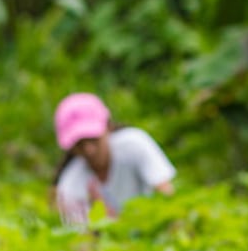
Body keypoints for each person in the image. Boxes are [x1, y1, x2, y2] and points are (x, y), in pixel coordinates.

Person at [50, 92, 176, 228]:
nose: (89, 150)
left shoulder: (134, 144)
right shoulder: (71, 184)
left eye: (93, 139)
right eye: (79, 145)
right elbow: (82, 242)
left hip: (153, 227)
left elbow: (167, 198)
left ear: (108, 127)